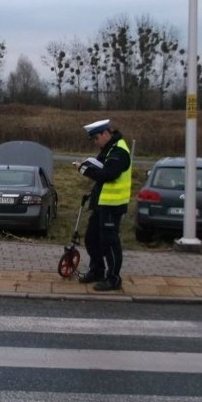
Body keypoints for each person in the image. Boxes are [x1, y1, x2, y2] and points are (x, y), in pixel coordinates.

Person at [74, 118, 132, 291]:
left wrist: (84, 169)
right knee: (92, 239)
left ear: (106, 133)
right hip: (102, 203)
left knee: (109, 242)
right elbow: (101, 172)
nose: (95, 142)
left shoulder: (119, 151)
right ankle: (97, 270)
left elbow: (108, 174)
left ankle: (114, 279)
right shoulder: (108, 149)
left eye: (96, 138)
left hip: (113, 205)